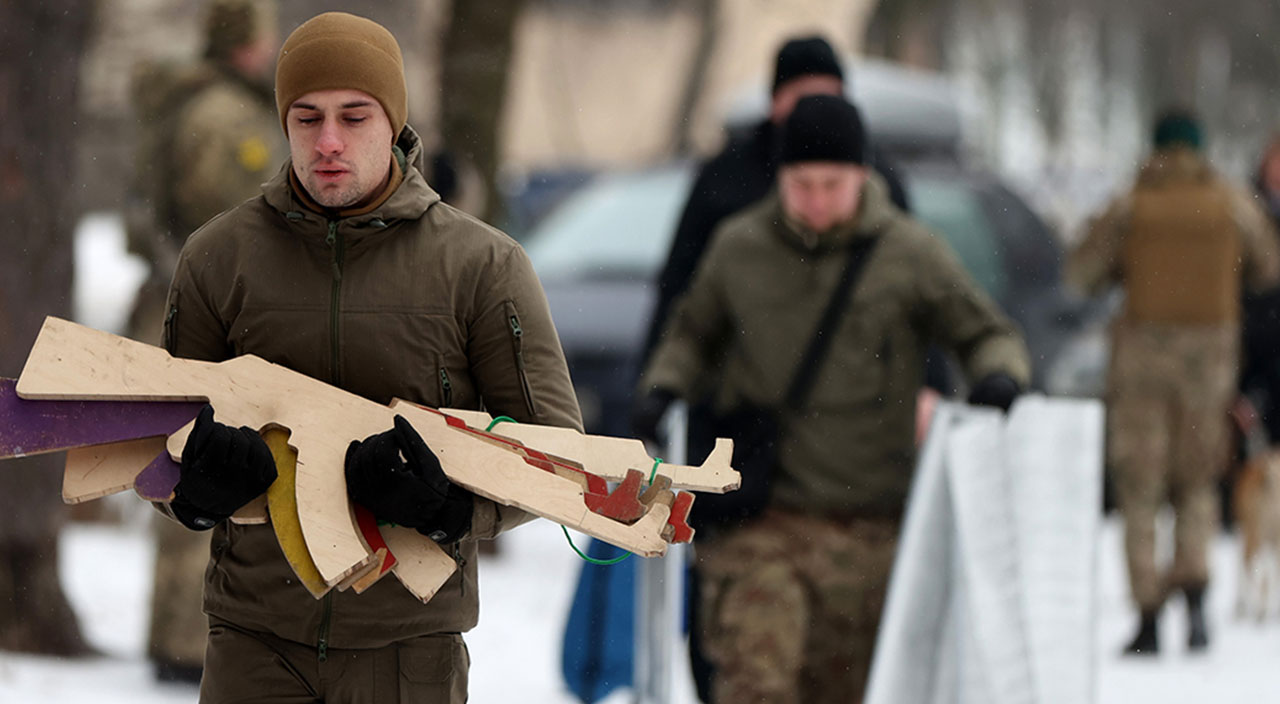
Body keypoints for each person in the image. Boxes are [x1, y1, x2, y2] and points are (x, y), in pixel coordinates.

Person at [156, 12, 581, 701]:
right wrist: (193, 490)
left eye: (354, 117)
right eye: (306, 118)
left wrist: (451, 508)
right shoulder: (216, 259)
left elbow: (558, 453)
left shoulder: (482, 267)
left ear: (394, 122)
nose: (328, 141)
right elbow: (159, 440)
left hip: (408, 650)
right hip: (252, 646)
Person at [633, 94, 1029, 703]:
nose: (816, 202)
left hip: (872, 532)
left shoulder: (910, 253)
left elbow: (986, 333)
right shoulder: (738, 248)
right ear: (781, 179)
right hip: (760, 521)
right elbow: (690, 335)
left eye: (831, 185)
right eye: (802, 185)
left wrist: (997, 377)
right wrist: (664, 388)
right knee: (755, 684)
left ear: (863, 176)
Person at [1068, 110, 1280, 655]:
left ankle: (1147, 614)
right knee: (1197, 482)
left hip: (1140, 364)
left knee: (1140, 488)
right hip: (1210, 365)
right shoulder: (1232, 203)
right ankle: (1195, 596)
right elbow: (1267, 268)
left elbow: (1081, 273)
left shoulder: (1132, 203)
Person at [123, 0, 290, 683]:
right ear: (245, 40)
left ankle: (176, 634)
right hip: (210, 317)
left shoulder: (196, 102)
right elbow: (236, 222)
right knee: (209, 469)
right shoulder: (227, 117)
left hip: (182, 310)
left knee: (184, 470)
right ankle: (189, 642)